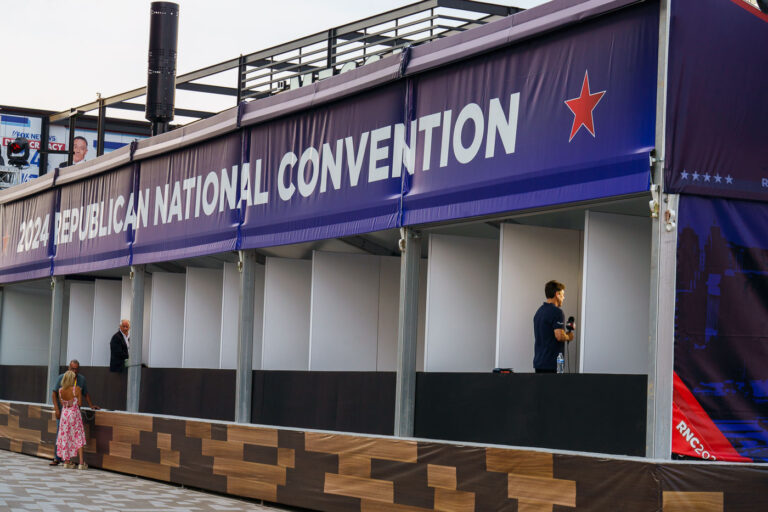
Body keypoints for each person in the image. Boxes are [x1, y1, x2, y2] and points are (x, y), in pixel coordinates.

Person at [50, 360, 98, 466]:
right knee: (76, 436)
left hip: (65, 413)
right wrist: (57, 409)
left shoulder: (80, 380)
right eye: (73, 369)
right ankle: (59, 458)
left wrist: (91, 405)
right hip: (72, 414)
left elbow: (86, 393)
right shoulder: (63, 379)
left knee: (64, 435)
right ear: (69, 368)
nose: (75, 371)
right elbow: (54, 394)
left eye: (76, 369)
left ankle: (66, 461)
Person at [533, 280, 574, 373]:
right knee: (557, 383)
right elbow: (559, 336)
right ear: (557, 294)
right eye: (562, 295)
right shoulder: (557, 312)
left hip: (539, 363)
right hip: (553, 364)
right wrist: (569, 336)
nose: (564, 297)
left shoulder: (539, 312)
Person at [55, 370, 87, 469]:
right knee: (78, 436)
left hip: (64, 415)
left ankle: (67, 461)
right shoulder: (76, 389)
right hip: (74, 414)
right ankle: (81, 463)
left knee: (66, 436)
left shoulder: (60, 390)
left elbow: (62, 403)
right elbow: (80, 403)